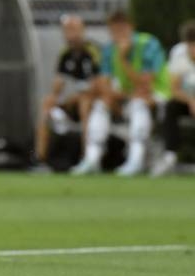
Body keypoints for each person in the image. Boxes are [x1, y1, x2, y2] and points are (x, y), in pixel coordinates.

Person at [72, 11, 170, 176]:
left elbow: (145, 86)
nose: (118, 35)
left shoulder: (148, 44)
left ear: (131, 27)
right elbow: (104, 84)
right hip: (128, 98)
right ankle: (92, 158)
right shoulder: (109, 50)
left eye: (121, 30)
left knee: (139, 104)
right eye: (114, 31)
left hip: (157, 97)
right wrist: (117, 97)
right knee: (101, 104)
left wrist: (124, 59)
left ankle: (135, 160)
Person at [35, 15, 100, 170]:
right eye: (67, 30)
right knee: (47, 104)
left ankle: (86, 158)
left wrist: (78, 95)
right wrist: (53, 99)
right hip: (74, 102)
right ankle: (40, 159)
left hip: (94, 102)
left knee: (85, 104)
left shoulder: (93, 51)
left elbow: (99, 85)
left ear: (82, 31)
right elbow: (59, 83)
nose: (70, 34)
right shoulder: (65, 54)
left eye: (73, 30)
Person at [153, 21, 195, 177]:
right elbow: (174, 88)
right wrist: (191, 100)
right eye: (191, 45)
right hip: (185, 100)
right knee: (170, 107)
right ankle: (169, 155)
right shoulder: (178, 53)